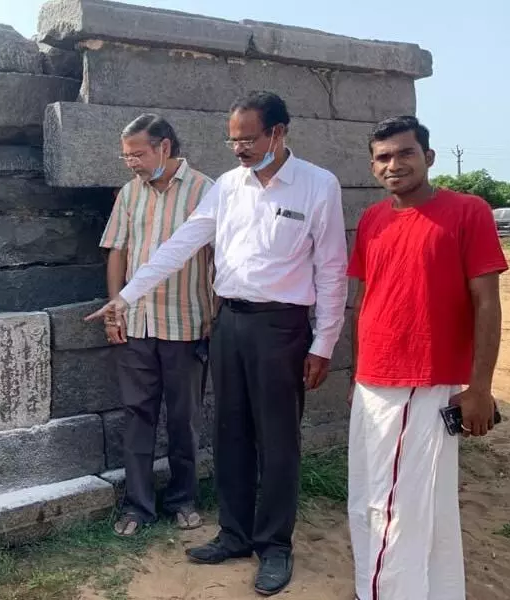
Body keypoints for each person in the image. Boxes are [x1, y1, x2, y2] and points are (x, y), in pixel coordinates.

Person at [87, 91, 348, 595]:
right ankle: (234, 532)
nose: (239, 149)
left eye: (248, 139)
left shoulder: (318, 185)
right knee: (228, 432)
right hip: (229, 322)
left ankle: (274, 545)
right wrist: (127, 296)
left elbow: (332, 269)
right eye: (232, 140)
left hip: (282, 327)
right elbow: (183, 243)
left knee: (277, 441)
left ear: (278, 132)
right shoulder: (228, 186)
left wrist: (324, 342)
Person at [346, 116, 507, 600]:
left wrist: (479, 388)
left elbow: (487, 302)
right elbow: (365, 298)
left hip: (422, 379)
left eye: (405, 153)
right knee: (412, 506)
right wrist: (358, 373)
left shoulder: (468, 211)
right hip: (373, 381)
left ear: (428, 157)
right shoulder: (373, 220)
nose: (394, 165)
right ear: (373, 166)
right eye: (383, 157)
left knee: (389, 507)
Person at [99, 114, 216, 537]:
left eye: (137, 153)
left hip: (187, 322)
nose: (130, 162)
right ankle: (137, 506)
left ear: (164, 146)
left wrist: (215, 313)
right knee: (137, 415)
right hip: (136, 324)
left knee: (184, 419)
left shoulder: (207, 190)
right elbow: (117, 251)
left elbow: (220, 257)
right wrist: (115, 309)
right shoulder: (130, 194)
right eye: (126, 154)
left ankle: (184, 499)